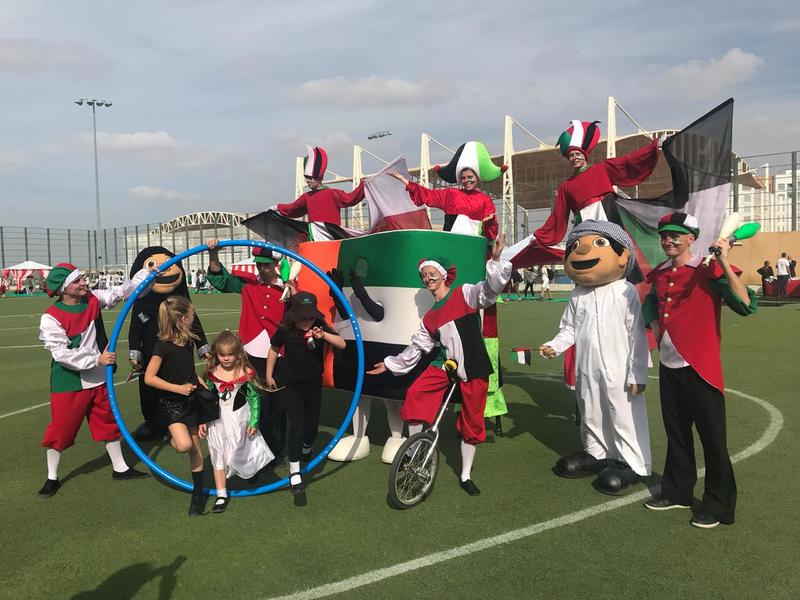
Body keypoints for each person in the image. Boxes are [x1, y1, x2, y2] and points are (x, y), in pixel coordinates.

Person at [367, 234, 512, 496]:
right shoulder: (430, 317)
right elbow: (416, 348)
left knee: (472, 422)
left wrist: (496, 259)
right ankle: (413, 451)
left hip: (474, 367)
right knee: (416, 395)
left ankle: (465, 475)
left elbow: (490, 292)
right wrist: (389, 364)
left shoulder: (464, 293)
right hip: (444, 365)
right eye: (424, 275)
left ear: (444, 275)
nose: (427, 278)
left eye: (431, 273)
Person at [642, 212, 756, 529]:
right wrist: (653, 322)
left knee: (713, 439)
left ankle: (719, 506)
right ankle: (677, 492)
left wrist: (724, 259)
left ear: (691, 239)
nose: (668, 240)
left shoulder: (708, 268)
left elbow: (745, 304)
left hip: (701, 368)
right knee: (676, 434)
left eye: (675, 235)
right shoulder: (661, 272)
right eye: (664, 235)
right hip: (669, 366)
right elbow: (650, 302)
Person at [539, 221, 651, 494]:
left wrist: (637, 372)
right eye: (575, 246)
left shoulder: (625, 291)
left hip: (619, 366)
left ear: (623, 256)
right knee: (590, 408)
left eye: (599, 243)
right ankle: (596, 453)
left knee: (622, 412)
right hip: (587, 365)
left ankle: (632, 463)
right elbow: (569, 328)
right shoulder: (578, 295)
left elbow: (637, 334)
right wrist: (555, 345)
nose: (581, 251)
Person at [37, 263, 151, 498]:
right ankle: (51, 477)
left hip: (99, 377)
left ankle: (120, 468)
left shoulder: (92, 299)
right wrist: (96, 359)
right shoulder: (51, 317)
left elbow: (123, 292)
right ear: (64, 288)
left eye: (82, 278)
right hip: (69, 382)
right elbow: (61, 354)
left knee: (107, 423)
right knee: (61, 430)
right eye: (77, 281)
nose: (83, 282)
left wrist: (148, 273)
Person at [206, 240, 292, 462]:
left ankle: (279, 448)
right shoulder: (248, 284)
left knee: (280, 404)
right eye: (258, 265)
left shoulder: (288, 287)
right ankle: (261, 451)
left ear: (275, 264)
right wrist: (213, 254)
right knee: (258, 404)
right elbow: (221, 281)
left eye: (265, 265)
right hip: (252, 353)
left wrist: (291, 286)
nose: (261, 269)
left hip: (280, 353)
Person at [265, 292, 346, 497]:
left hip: (313, 384)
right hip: (290, 383)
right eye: (302, 317)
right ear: (293, 315)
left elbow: (342, 344)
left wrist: (323, 335)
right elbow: (273, 349)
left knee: (311, 427)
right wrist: (269, 375)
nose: (307, 321)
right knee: (297, 424)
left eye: (310, 317)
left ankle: (307, 446)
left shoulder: (319, 328)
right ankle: (295, 471)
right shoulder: (285, 329)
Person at [143, 296, 214, 516]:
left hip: (190, 400)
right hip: (171, 404)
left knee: (195, 448)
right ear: (183, 319)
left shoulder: (189, 341)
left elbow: (187, 368)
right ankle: (171, 436)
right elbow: (149, 378)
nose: (194, 319)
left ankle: (198, 494)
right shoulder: (162, 346)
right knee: (183, 445)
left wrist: (199, 381)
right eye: (192, 315)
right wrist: (178, 388)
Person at [200, 331, 274, 513]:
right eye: (221, 354)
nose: (226, 358)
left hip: (239, 419)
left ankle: (250, 470)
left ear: (238, 354)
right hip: (217, 421)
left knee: (236, 453)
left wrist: (254, 421)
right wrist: (202, 421)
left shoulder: (245, 372)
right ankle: (221, 494)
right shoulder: (211, 373)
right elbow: (206, 399)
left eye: (230, 354)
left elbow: (254, 398)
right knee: (217, 456)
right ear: (216, 354)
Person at [276, 145, 365, 227]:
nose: (308, 181)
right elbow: (293, 208)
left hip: (332, 236)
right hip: (315, 236)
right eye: (306, 178)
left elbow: (351, 198)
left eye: (310, 178)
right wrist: (277, 208)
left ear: (318, 178)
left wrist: (365, 185)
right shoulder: (306, 197)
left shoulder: (332, 194)